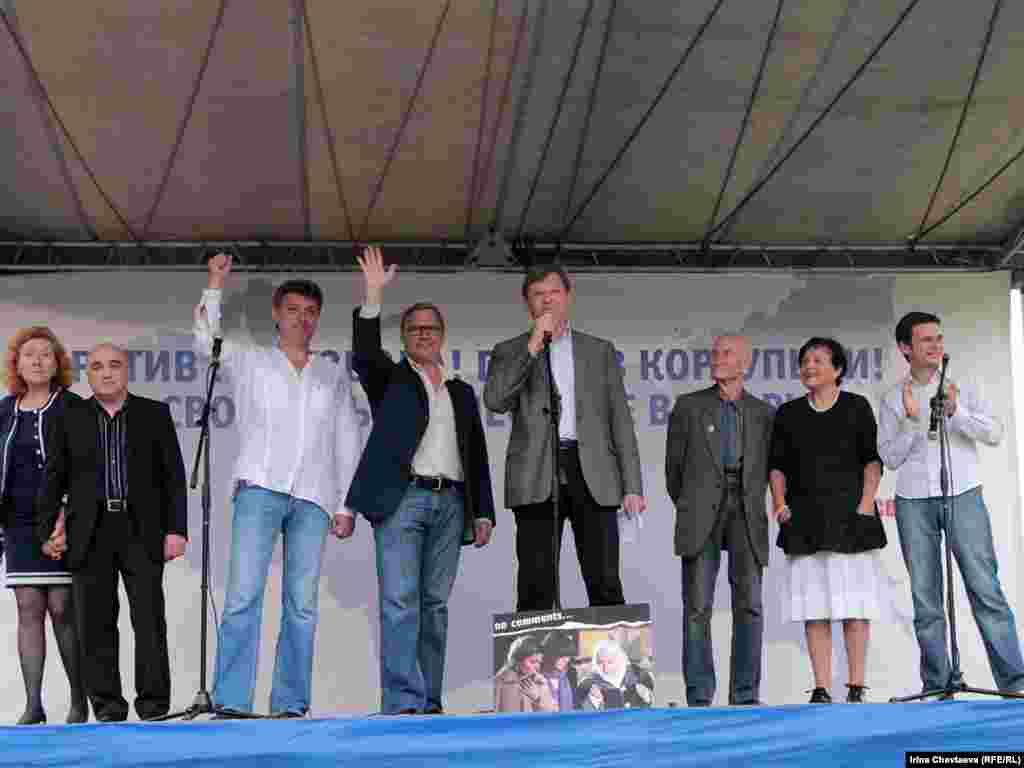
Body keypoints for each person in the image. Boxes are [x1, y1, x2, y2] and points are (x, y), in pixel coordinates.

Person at [194, 253, 361, 718]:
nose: (301, 319)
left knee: (302, 607)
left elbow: (348, 437)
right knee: (244, 596)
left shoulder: (331, 373)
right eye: (293, 310)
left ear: (317, 319)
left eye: (310, 312)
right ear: (276, 313)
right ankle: (231, 702)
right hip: (260, 487)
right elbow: (207, 340)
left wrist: (346, 504)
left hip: (313, 497)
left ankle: (290, 704)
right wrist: (214, 284)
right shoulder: (251, 361)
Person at [345, 246, 496, 715]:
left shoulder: (460, 390)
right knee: (399, 602)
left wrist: (484, 510)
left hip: (451, 504)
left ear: (443, 335)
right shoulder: (391, 379)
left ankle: (429, 701)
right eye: (415, 329)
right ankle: (402, 702)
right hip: (402, 500)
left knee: (435, 606)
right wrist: (373, 295)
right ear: (405, 337)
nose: (424, 335)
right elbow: (366, 353)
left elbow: (476, 454)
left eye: (431, 328)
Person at [35, 344, 187, 721]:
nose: (107, 372)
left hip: (143, 531)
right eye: (98, 366)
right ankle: (107, 709)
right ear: (89, 375)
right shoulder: (70, 417)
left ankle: (153, 708)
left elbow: (173, 478)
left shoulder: (154, 414)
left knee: (149, 621)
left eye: (115, 365)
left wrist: (176, 530)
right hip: (90, 532)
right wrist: (46, 531)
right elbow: (52, 480)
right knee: (96, 625)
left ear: (127, 371)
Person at [878, 312, 1024, 696]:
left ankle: (1014, 684)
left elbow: (994, 432)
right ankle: (938, 686)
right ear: (905, 348)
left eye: (939, 338)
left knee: (984, 589)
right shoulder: (894, 398)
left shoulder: (963, 385)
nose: (936, 345)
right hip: (913, 501)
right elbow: (889, 458)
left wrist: (957, 413)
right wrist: (911, 422)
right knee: (926, 599)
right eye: (925, 340)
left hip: (963, 493)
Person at [483, 265, 645, 611]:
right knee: (535, 583)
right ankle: (534, 662)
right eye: (538, 294)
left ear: (568, 298)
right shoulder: (510, 350)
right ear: (527, 303)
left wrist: (632, 485)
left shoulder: (598, 350)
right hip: (536, 471)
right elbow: (496, 401)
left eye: (554, 292)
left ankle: (611, 664)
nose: (547, 300)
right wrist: (531, 346)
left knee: (604, 579)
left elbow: (619, 419)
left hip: (592, 470)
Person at [768, 338, 886, 704]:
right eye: (804, 361)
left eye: (818, 360)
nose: (809, 367)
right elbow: (777, 466)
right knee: (813, 608)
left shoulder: (856, 406)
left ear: (837, 369)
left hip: (852, 519)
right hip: (805, 522)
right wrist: (780, 502)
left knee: (855, 607)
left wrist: (866, 504)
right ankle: (820, 688)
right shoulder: (788, 413)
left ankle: (855, 686)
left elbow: (872, 460)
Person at [665, 334, 775, 707]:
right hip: (701, 509)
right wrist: (693, 502)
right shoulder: (689, 407)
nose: (717, 358)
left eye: (726, 353)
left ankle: (745, 695)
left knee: (750, 605)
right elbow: (673, 473)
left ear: (745, 363)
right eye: (715, 352)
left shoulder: (763, 413)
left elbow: (770, 468)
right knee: (697, 607)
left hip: (747, 508)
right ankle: (699, 695)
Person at [1, 327, 87, 724]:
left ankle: (78, 700)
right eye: (29, 355)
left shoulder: (72, 407)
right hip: (17, 522)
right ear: (17, 364)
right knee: (28, 606)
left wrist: (64, 518)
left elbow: (85, 469)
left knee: (62, 607)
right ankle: (33, 705)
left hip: (61, 518)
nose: (37, 361)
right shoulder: (4, 410)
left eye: (45, 355)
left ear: (58, 364)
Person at [576, 638, 652, 710]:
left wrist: (647, 697)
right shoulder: (588, 683)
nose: (605, 667)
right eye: (600, 662)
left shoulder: (638, 675)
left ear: (620, 660)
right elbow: (580, 710)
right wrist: (594, 701)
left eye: (610, 662)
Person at [494, 636, 556, 713]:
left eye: (539, 662)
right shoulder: (499, 682)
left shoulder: (540, 682)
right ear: (518, 659)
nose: (537, 666)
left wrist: (537, 698)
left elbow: (551, 716)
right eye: (533, 662)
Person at [539, 631, 578, 711]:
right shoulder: (537, 677)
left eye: (568, 656)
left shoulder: (570, 675)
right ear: (549, 653)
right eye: (561, 655)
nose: (565, 660)